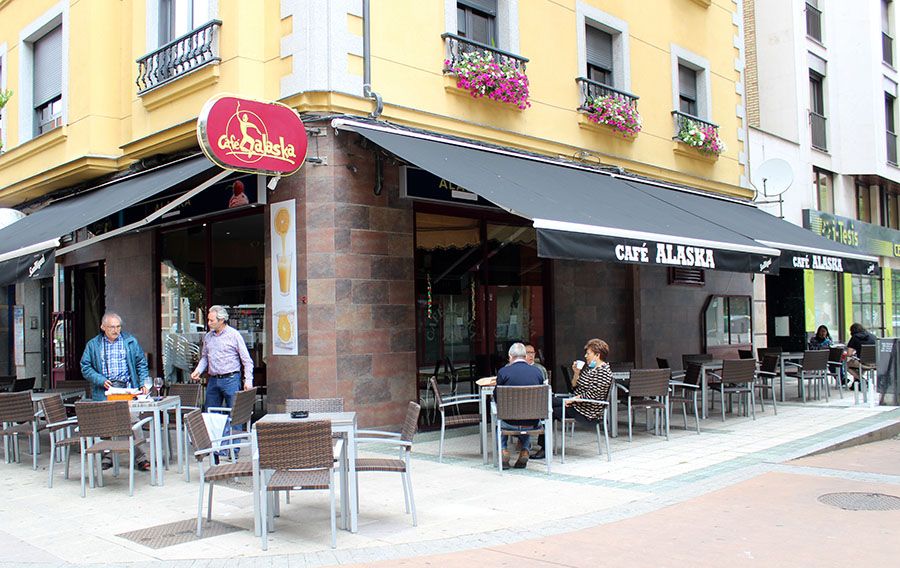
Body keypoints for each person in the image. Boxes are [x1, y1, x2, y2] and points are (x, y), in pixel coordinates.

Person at [80, 312, 151, 470]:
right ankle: (109, 456)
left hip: (127, 388)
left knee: (134, 421)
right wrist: (100, 379)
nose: (116, 330)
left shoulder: (130, 341)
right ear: (103, 327)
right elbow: (85, 367)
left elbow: (141, 363)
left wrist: (143, 382)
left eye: (118, 326)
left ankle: (141, 458)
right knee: (108, 423)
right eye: (112, 327)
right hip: (106, 388)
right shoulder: (93, 345)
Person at [533, 338, 613, 460]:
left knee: (549, 411)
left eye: (588, 353)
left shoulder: (603, 372)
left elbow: (593, 395)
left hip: (587, 411)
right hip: (578, 404)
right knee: (547, 401)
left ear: (597, 355)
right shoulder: (591, 368)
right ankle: (539, 441)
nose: (585, 356)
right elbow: (574, 386)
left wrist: (572, 400)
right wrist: (576, 373)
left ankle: (544, 448)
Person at [191, 305, 255, 410]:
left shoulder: (234, 335)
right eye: (208, 320)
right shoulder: (208, 337)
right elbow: (205, 357)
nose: (209, 323)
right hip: (213, 379)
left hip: (231, 379)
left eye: (212, 320)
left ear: (221, 320)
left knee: (234, 414)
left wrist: (248, 380)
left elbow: (247, 360)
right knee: (210, 414)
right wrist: (198, 370)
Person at [494, 342, 544, 470]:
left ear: (510, 356)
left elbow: (497, 397)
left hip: (509, 423)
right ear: (525, 356)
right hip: (532, 422)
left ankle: (503, 449)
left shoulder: (503, 372)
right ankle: (525, 450)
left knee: (500, 419)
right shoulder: (537, 372)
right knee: (526, 413)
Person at [846, 322, 878, 389]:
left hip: (863, 363)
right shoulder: (873, 336)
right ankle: (857, 383)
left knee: (847, 365)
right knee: (859, 366)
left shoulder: (855, 337)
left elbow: (849, 354)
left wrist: (854, 354)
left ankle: (862, 380)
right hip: (875, 363)